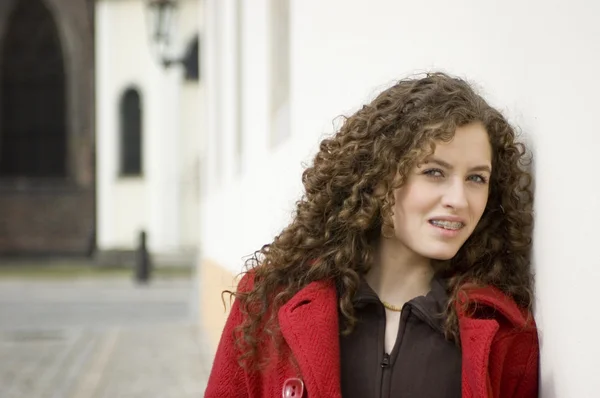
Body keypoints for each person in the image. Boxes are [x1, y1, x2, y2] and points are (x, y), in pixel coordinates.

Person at [205, 72, 539, 398]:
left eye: (477, 178)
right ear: (379, 179)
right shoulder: (269, 302)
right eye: (434, 172)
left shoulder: (505, 335)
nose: (459, 199)